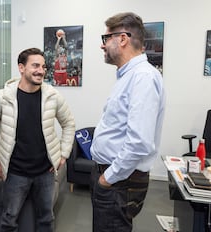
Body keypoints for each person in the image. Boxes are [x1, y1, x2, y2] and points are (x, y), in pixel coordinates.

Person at [0, 47, 75, 231]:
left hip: (45, 171)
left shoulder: (52, 96)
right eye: (35, 65)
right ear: (21, 68)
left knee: (46, 219)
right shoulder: (3, 97)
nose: (41, 71)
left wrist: (63, 154)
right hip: (15, 173)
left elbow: (69, 124)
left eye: (44, 66)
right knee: (9, 219)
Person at [90, 12, 165, 232]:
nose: (103, 46)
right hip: (115, 178)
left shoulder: (142, 77)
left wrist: (107, 178)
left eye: (106, 39)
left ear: (122, 39)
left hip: (118, 181)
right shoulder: (129, 76)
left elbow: (139, 142)